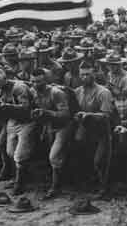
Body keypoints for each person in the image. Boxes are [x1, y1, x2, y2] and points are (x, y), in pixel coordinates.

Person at [30, 69, 78, 199]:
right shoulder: (33, 91)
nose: (35, 84)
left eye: (39, 81)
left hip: (63, 127)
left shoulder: (56, 93)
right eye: (33, 81)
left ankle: (56, 187)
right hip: (49, 126)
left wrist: (46, 113)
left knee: (54, 156)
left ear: (45, 81)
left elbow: (65, 114)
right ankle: (58, 181)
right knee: (52, 156)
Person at [74, 61, 116, 197]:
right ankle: (91, 184)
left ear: (94, 74)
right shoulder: (78, 91)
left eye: (88, 74)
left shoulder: (103, 92)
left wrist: (89, 115)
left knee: (100, 161)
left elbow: (107, 116)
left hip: (102, 131)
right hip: (85, 131)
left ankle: (105, 188)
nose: (85, 77)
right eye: (82, 75)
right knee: (84, 159)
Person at [0, 68, 33, 195]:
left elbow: (26, 108)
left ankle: (20, 183)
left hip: (27, 121)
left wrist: (7, 106)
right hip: (13, 121)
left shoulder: (19, 88)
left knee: (20, 154)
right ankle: (18, 175)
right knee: (10, 151)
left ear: (5, 78)